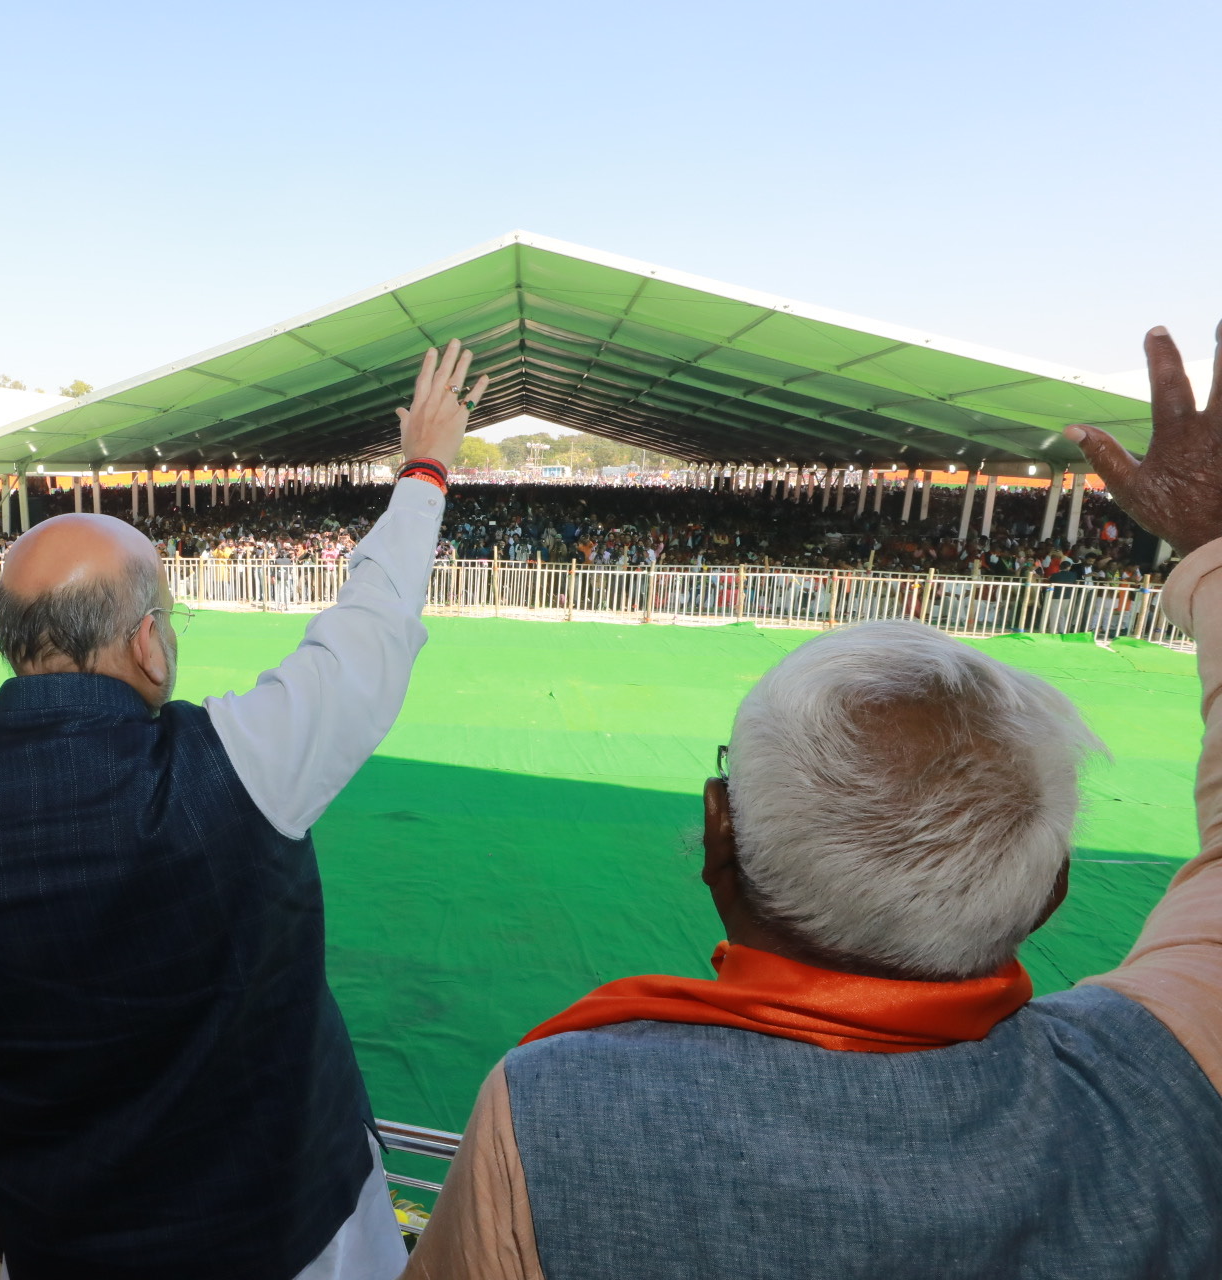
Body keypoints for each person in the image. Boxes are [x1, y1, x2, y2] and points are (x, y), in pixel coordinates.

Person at [404, 320, 1222, 1279]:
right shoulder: (1167, 1075)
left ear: (720, 841)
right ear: (1052, 892)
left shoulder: (548, 1110)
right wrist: (1211, 544)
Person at [0, 342, 489, 1280]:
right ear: (148, 643)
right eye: (169, 622)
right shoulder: (243, 764)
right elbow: (371, 627)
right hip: (297, 1234)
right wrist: (424, 469)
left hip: (67, 1243)